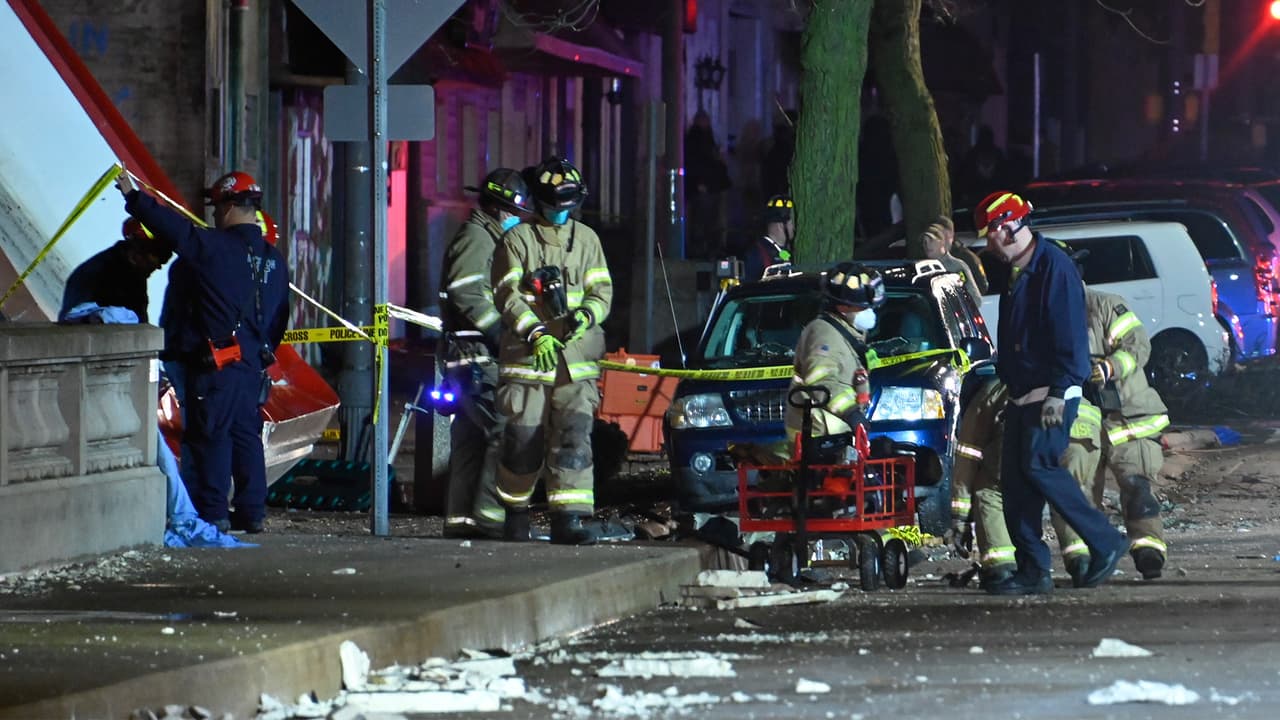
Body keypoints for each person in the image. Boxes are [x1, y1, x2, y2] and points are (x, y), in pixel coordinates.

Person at [116, 168, 290, 534]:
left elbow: (174, 228)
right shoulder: (275, 261)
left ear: (228, 206)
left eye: (216, 207)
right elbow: (279, 320)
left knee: (210, 436)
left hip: (218, 367)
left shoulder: (215, 248)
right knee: (247, 438)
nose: (212, 214)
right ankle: (252, 512)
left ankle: (212, 514)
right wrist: (258, 351)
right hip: (252, 367)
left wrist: (134, 197)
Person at [976, 190, 1127, 594]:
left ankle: (1106, 540)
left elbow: (1070, 338)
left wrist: (1060, 393)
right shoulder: (1019, 271)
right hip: (1023, 394)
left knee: (1040, 467)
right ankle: (1032, 571)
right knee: (1016, 483)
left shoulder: (1053, 268)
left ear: (1007, 228)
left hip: (1050, 394)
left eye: (990, 235)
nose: (988, 244)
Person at [491, 156, 613, 545]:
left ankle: (570, 519)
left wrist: (585, 317)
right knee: (522, 442)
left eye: (568, 207)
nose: (561, 215)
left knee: (574, 437)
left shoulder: (588, 240)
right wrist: (537, 332)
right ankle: (516, 513)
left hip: (576, 361)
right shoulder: (516, 241)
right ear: (539, 203)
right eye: (554, 207)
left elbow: (602, 291)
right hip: (530, 361)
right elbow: (506, 295)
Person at [1053, 287, 1171, 580]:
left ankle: (1148, 551)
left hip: (1128, 416)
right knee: (1074, 488)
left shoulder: (1106, 305)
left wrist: (1110, 367)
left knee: (1137, 486)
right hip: (1079, 419)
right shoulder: (1042, 311)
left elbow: (1137, 346)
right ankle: (1081, 558)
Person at [438, 168, 531, 539]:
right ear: (496, 209)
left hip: (464, 356)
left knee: (470, 441)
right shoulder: (478, 237)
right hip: (477, 354)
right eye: (512, 213)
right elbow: (465, 290)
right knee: (506, 430)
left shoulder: (486, 236)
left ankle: (461, 522)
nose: (516, 220)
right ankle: (490, 519)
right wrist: (500, 331)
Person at [951, 375, 1105, 589]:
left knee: (990, 490)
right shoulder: (1055, 374)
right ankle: (1081, 560)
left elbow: (967, 458)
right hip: (1085, 436)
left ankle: (1001, 566)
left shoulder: (988, 393)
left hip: (1031, 434)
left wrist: (959, 517)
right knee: (1067, 492)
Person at [785, 263, 883, 443]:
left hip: (831, 431)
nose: (870, 312)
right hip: (816, 434)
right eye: (864, 307)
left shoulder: (845, 332)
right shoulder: (824, 335)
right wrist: (851, 413)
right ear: (844, 307)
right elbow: (820, 380)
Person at [59, 219, 172, 323]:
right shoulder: (104, 273)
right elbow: (76, 318)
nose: (158, 266)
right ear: (140, 248)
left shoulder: (132, 279)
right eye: (160, 256)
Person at [685, 110, 732, 259]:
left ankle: (709, 248)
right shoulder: (697, 139)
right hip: (706, 187)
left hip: (711, 186)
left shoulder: (703, 138)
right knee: (705, 221)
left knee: (709, 221)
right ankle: (705, 249)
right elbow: (697, 163)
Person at [920, 220, 982, 306]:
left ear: (941, 241)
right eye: (924, 241)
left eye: (931, 240)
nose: (927, 245)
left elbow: (975, 299)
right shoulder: (921, 268)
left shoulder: (956, 267)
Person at [744, 195, 794, 281]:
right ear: (781, 226)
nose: (794, 227)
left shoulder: (787, 251)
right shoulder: (756, 256)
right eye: (791, 222)